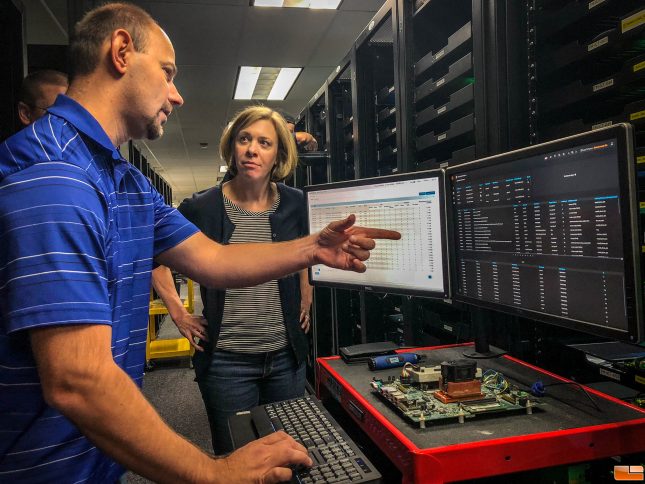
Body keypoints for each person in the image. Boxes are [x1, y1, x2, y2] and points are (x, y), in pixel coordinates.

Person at [0, 3, 400, 483]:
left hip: (94, 458)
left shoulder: (120, 178)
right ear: (121, 52)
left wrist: (312, 249)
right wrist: (214, 473)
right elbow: (77, 382)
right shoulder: (57, 179)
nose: (177, 94)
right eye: (167, 73)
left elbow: (212, 258)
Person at [152, 105, 313, 455]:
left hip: (286, 358)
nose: (252, 149)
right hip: (227, 363)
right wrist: (177, 313)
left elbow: (308, 251)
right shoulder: (202, 207)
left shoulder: (296, 204)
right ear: (233, 147)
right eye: (244, 139)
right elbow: (155, 256)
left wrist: (306, 291)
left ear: (278, 155)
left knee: (286, 457)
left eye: (264, 142)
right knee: (235, 459)